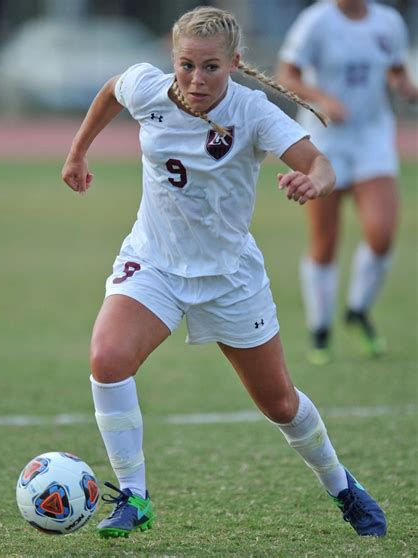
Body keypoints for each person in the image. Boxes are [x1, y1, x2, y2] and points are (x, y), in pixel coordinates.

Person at [62, 6, 386, 539]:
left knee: (279, 402)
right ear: (173, 60)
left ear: (234, 63)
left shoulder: (254, 112)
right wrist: (77, 153)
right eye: (186, 65)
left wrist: (315, 183)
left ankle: (342, 485)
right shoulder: (149, 89)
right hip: (155, 263)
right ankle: (134, 497)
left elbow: (320, 163)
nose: (196, 79)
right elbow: (112, 89)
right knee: (107, 358)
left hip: (230, 277)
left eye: (210, 67)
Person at [277, 0, 418, 365]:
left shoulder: (387, 21)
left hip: (372, 138)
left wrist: (405, 86)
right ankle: (320, 329)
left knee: (382, 234)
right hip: (325, 140)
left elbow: (395, 69)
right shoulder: (315, 21)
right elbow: (286, 74)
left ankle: (357, 311)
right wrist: (323, 99)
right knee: (325, 241)